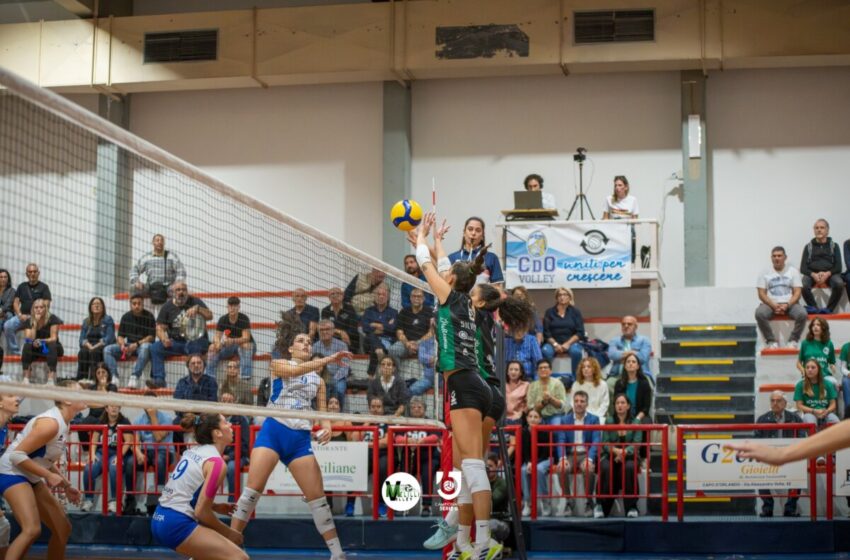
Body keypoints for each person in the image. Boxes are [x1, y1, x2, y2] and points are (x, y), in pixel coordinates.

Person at [415, 211, 530, 560]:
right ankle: (464, 542)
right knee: (467, 466)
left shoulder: (454, 299)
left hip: (465, 384)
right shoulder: (470, 304)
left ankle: (482, 542)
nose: (445, 274)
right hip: (481, 385)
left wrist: (422, 236)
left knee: (472, 467)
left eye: (448, 273)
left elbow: (426, 266)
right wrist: (437, 244)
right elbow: (453, 271)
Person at [230, 313, 350, 560]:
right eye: (301, 341)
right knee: (251, 493)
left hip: (299, 440)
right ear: (290, 348)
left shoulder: (318, 381)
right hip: (274, 432)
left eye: (308, 341)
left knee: (318, 499)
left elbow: (323, 413)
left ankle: (337, 554)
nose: (306, 344)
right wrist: (326, 359)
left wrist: (326, 427)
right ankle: (231, 546)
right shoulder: (278, 364)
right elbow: (297, 372)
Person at [0, 380, 85, 559]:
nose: (85, 394)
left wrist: (66, 484)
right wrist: (47, 475)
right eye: (80, 391)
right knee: (31, 529)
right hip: (11, 471)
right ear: (67, 400)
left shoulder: (65, 423)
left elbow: (43, 459)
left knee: (63, 528)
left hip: (29, 474)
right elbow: (17, 456)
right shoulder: (51, 424)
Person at [150, 413, 247, 560]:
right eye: (226, 422)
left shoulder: (193, 451)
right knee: (239, 558)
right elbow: (201, 512)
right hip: (176, 524)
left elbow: (184, 495)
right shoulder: (216, 463)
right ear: (217, 433)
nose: (231, 425)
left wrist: (213, 506)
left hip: (159, 518)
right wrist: (229, 533)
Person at [149, 281, 213, 388]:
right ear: (173, 293)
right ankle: (159, 380)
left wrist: (198, 309)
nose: (181, 292)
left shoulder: (195, 301)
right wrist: (164, 338)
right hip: (177, 343)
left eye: (183, 290)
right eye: (178, 290)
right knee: (155, 347)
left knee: (193, 346)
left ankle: (194, 381)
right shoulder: (167, 306)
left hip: (197, 341)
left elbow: (210, 315)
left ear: (187, 291)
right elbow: (159, 327)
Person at [754, 391, 803, 517]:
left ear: (785, 403)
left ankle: (790, 508)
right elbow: (756, 440)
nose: (775, 403)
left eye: (778, 400)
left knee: (798, 472)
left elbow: (802, 437)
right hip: (769, 457)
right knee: (759, 474)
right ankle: (767, 507)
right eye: (772, 400)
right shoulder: (762, 419)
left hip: (790, 456)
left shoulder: (795, 418)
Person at [554, 390, 601, 517]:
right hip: (571, 454)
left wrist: (590, 458)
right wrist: (562, 458)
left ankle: (588, 502)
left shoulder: (594, 419)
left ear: (587, 404)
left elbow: (596, 441)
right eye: (576, 401)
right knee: (561, 468)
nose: (579, 404)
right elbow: (561, 440)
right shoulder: (565, 419)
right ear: (573, 403)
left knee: (588, 468)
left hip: (585, 453)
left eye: (582, 401)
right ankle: (569, 501)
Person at [595, 393, 642, 519]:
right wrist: (616, 451)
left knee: (629, 467)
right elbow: (605, 442)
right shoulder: (609, 421)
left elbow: (637, 443)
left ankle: (631, 506)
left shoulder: (636, 422)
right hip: (611, 454)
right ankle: (601, 505)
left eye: (623, 403)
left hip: (630, 456)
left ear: (628, 406)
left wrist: (624, 453)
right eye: (617, 403)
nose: (620, 405)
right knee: (605, 467)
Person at [80, 404, 133, 513]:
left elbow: (128, 441)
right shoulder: (101, 421)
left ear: (119, 408)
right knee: (89, 467)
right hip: (101, 453)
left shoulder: (124, 421)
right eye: (111, 406)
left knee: (115, 467)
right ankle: (88, 500)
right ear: (106, 409)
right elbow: (94, 440)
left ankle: (114, 501)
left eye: (116, 406)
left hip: (116, 453)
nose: (114, 408)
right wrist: (92, 454)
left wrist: (119, 456)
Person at [131, 392, 175, 516]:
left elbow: (158, 437)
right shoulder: (139, 420)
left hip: (164, 450)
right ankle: (130, 500)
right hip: (146, 451)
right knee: (130, 463)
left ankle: (157, 501)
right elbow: (135, 440)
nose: (149, 405)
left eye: (152, 402)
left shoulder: (166, 419)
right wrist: (139, 453)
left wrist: (153, 416)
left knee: (160, 461)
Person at [395, 397, 440, 516]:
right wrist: (407, 440)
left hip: (429, 457)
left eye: (419, 407)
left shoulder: (431, 422)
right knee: (404, 474)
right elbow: (397, 438)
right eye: (413, 407)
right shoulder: (405, 422)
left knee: (427, 474)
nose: (416, 409)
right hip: (410, 457)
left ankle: (426, 506)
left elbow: (435, 437)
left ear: (425, 409)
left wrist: (422, 441)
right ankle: (403, 505)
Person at [755, 246, 807, 349]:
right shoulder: (764, 272)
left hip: (790, 303)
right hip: (770, 304)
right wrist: (773, 305)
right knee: (759, 313)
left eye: (779, 256)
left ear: (785, 257)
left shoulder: (793, 271)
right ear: (771, 258)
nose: (776, 258)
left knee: (802, 314)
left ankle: (793, 340)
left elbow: (797, 292)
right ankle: (771, 341)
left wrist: (787, 304)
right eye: (774, 256)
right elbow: (761, 293)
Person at [346, 397, 390, 518]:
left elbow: (386, 442)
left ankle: (382, 503)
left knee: (383, 468)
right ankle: (350, 503)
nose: (376, 409)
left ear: (382, 409)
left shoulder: (387, 422)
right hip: (364, 454)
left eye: (378, 407)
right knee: (356, 468)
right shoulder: (364, 421)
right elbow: (355, 438)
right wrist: (367, 423)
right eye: (373, 407)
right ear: (369, 408)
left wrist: (367, 443)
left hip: (382, 453)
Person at [104, 294, 156, 389]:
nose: (136, 306)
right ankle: (114, 377)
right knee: (107, 349)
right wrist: (122, 345)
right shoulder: (125, 317)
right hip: (129, 345)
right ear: (130, 304)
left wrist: (136, 345)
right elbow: (120, 336)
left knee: (146, 347)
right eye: (134, 303)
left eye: (139, 304)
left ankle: (134, 376)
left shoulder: (149, 316)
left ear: (143, 304)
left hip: (141, 346)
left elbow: (151, 337)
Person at [3, 263, 51, 356]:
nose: (32, 274)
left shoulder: (44, 287)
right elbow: (15, 303)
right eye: (30, 272)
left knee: (29, 335)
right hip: (22, 317)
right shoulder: (22, 286)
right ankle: (15, 352)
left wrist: (33, 316)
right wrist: (20, 315)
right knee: (7, 326)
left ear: (38, 273)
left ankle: (29, 354)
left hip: (36, 318)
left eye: (34, 271)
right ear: (26, 274)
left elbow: (46, 304)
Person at [800, 219, 845, 314]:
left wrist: (827, 274)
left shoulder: (834, 246)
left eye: (822, 227)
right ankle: (814, 308)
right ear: (814, 230)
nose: (819, 230)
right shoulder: (808, 247)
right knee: (803, 285)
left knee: (839, 283)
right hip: (812, 274)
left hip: (830, 274)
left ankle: (829, 309)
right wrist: (813, 274)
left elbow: (838, 267)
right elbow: (803, 268)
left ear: (827, 230)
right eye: (816, 228)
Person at [129, 233, 186, 305]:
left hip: (168, 287)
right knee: (134, 289)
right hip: (150, 286)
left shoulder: (171, 256)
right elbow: (134, 269)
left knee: (180, 292)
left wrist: (178, 283)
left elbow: (181, 270)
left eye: (162, 240)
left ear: (164, 243)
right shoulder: (147, 257)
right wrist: (136, 282)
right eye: (157, 240)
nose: (159, 242)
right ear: (153, 242)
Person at [206, 296, 254, 380]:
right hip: (228, 347)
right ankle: (209, 377)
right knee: (212, 347)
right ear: (227, 307)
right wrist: (217, 344)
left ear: (239, 307)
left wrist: (233, 340)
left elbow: (246, 338)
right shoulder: (223, 319)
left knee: (246, 345)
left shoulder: (244, 319)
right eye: (230, 306)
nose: (232, 308)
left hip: (242, 346)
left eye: (235, 306)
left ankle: (245, 377)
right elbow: (216, 336)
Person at [542, 287, 585, 380]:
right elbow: (546, 332)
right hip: (552, 343)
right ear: (556, 298)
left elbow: (580, 332)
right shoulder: (549, 312)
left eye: (565, 295)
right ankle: (547, 379)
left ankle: (576, 379)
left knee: (576, 352)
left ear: (570, 297)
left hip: (571, 342)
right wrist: (555, 344)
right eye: (560, 295)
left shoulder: (575, 312)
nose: (562, 297)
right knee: (545, 352)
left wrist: (567, 344)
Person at [519, 409, 556, 516]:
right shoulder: (524, 432)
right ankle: (527, 502)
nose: (532, 419)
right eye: (530, 416)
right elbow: (524, 452)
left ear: (540, 419)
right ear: (526, 418)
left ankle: (545, 501)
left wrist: (533, 463)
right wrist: (529, 462)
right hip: (531, 461)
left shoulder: (545, 432)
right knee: (523, 470)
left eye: (536, 417)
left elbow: (545, 453)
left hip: (546, 459)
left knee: (539, 469)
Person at [447, 216, 504, 285]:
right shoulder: (452, 257)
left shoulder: (491, 258)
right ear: (464, 232)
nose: (473, 233)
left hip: (482, 295)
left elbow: (497, 287)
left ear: (482, 236)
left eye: (478, 230)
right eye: (470, 229)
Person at [20, 299, 63, 385]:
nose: (38, 309)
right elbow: (29, 338)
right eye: (36, 307)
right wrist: (35, 323)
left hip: (49, 348)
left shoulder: (53, 318)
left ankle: (50, 379)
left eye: (41, 307)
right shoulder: (29, 321)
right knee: (27, 345)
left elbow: (53, 338)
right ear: (33, 309)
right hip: (37, 348)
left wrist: (41, 341)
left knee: (52, 345)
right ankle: (26, 378)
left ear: (45, 308)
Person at [217, 393, 251, 496]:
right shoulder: (214, 419)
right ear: (219, 402)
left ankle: (232, 500)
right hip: (219, 454)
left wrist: (229, 456)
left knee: (231, 468)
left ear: (234, 403)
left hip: (238, 456)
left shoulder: (242, 420)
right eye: (224, 401)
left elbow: (244, 446)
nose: (226, 404)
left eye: (229, 401)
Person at [360, 284, 398, 376]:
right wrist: (385, 326)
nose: (381, 296)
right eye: (378, 294)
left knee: (375, 349)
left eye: (383, 294)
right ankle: (379, 350)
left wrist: (374, 325)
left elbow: (393, 329)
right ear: (374, 296)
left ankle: (371, 376)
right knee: (371, 336)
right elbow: (365, 328)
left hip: (387, 342)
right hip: (368, 343)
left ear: (388, 297)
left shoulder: (394, 312)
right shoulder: (368, 311)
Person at [313, 319, 351, 409]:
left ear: (333, 331)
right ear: (318, 332)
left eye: (327, 329)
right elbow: (313, 365)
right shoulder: (315, 347)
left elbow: (345, 367)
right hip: (320, 377)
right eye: (321, 330)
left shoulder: (342, 345)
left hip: (338, 377)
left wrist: (333, 379)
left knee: (339, 390)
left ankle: (339, 415)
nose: (324, 332)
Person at [77, 297, 116, 381]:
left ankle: (93, 380)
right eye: (94, 304)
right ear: (90, 307)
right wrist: (88, 345)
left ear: (103, 307)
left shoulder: (108, 319)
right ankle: (81, 379)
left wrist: (94, 347)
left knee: (95, 352)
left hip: (102, 345)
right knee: (82, 352)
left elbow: (110, 338)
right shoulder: (86, 321)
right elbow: (81, 340)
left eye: (99, 304)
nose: (96, 306)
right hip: (90, 345)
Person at [607, 315, 652, 387]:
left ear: (636, 327)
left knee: (649, 386)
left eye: (629, 324)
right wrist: (632, 352)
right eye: (623, 324)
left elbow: (643, 358)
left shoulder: (644, 340)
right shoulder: (614, 340)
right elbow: (612, 355)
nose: (626, 326)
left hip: (640, 375)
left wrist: (622, 357)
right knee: (607, 385)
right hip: (617, 376)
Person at [389, 288, 433, 360]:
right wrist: (407, 344)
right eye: (414, 296)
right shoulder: (404, 312)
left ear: (424, 298)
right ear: (410, 298)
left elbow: (431, 332)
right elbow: (399, 332)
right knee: (393, 350)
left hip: (424, 344)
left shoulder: (429, 312)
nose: (416, 298)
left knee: (433, 353)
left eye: (419, 296)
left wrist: (418, 343)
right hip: (406, 343)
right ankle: (397, 370)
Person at [795, 359, 839, 427]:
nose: (809, 370)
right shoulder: (800, 385)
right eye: (807, 367)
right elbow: (799, 406)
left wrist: (826, 411)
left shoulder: (828, 384)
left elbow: (833, 404)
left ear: (819, 369)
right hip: (809, 412)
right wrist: (814, 411)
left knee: (835, 421)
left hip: (826, 412)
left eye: (813, 367)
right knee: (810, 421)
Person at [796, 317, 837, 388]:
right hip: (809, 376)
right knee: (798, 384)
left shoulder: (829, 344)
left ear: (824, 328)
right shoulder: (805, 343)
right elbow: (798, 363)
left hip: (824, 376)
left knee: (834, 383)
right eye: (813, 325)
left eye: (818, 325)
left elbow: (832, 362)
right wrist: (803, 370)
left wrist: (833, 367)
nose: (815, 327)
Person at [611, 354, 653, 423]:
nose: (631, 363)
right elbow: (616, 403)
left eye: (633, 362)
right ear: (625, 366)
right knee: (610, 421)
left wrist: (637, 418)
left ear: (638, 366)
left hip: (639, 416)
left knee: (647, 421)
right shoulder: (619, 384)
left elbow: (646, 407)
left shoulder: (644, 383)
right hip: (623, 415)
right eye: (628, 362)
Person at [526, 359, 568, 425]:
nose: (543, 370)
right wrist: (544, 403)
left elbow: (562, 406)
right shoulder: (532, 385)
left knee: (556, 428)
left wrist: (550, 399)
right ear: (537, 371)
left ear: (551, 371)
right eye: (540, 368)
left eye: (545, 367)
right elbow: (531, 407)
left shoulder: (558, 383)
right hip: (538, 416)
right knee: (531, 424)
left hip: (555, 415)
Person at [573, 357, 610, 423]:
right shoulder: (576, 384)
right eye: (583, 367)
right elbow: (573, 403)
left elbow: (605, 404)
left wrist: (595, 417)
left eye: (589, 367)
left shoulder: (603, 384)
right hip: (581, 415)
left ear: (594, 369)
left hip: (598, 416)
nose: (586, 369)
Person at [505, 361, 530, 426]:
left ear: (520, 373)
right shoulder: (502, 384)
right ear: (507, 372)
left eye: (516, 370)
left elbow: (529, 403)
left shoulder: (526, 385)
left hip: (517, 418)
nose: (513, 372)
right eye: (511, 369)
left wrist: (521, 413)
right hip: (502, 417)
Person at [0, 270, 15, 351]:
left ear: (8, 279)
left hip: (7, 313)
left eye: (5, 277)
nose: (3, 279)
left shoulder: (12, 291)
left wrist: (1, 311)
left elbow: (8, 305)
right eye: (1, 277)